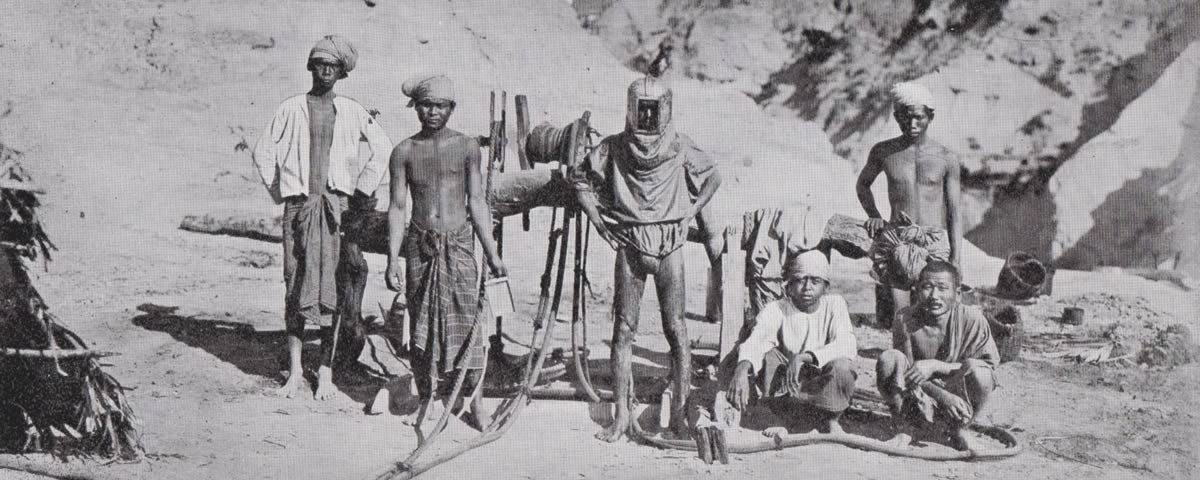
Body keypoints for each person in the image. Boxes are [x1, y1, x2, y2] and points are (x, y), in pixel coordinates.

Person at [573, 75, 722, 441]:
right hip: (631, 243)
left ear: (666, 109)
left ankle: (681, 416)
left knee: (676, 329)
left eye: (654, 110)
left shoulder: (680, 146)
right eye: (643, 110)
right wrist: (598, 223)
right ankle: (622, 415)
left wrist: (690, 212)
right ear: (631, 108)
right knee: (624, 330)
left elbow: (713, 177)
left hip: (670, 245)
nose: (648, 119)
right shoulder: (613, 147)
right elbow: (579, 180)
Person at [251, 35, 392, 400]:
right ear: (311, 68)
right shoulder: (291, 108)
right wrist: (282, 190)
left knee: (336, 286)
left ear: (341, 72)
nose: (326, 71)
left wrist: (361, 190)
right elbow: (263, 151)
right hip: (299, 209)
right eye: (320, 64)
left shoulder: (352, 111)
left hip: (336, 211)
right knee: (295, 283)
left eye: (333, 66)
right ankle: (296, 371)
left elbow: (383, 148)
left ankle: (326, 372)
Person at [384, 74, 505, 429]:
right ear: (415, 107)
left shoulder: (467, 147)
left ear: (451, 108)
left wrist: (492, 253)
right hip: (420, 247)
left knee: (468, 323)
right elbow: (397, 207)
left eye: (440, 106)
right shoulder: (404, 152)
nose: (433, 112)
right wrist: (392, 259)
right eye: (426, 105)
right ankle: (428, 399)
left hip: (460, 244)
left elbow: (477, 201)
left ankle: (476, 403)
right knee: (421, 322)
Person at [855, 82, 962, 328]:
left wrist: (956, 257)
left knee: (937, 314)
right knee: (902, 317)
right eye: (905, 117)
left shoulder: (946, 158)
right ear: (896, 117)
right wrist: (874, 215)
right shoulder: (884, 152)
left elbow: (954, 212)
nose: (912, 124)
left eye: (918, 117)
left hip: (934, 242)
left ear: (930, 117)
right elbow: (863, 185)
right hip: (898, 240)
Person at [726, 250, 857, 434]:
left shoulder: (835, 304)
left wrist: (803, 358)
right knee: (768, 355)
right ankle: (779, 419)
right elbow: (757, 340)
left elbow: (846, 343)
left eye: (815, 281)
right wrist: (741, 370)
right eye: (800, 280)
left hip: (821, 386)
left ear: (826, 287)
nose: (807, 287)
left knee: (843, 366)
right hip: (789, 386)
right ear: (790, 286)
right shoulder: (777, 308)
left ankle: (831, 420)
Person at [875, 261, 999, 450]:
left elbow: (987, 366)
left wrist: (936, 365)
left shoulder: (972, 319)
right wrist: (942, 396)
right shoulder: (904, 319)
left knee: (981, 373)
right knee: (889, 359)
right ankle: (905, 428)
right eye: (927, 287)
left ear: (957, 294)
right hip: (918, 395)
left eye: (942, 288)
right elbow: (904, 372)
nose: (934, 296)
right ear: (917, 290)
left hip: (959, 397)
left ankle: (961, 430)